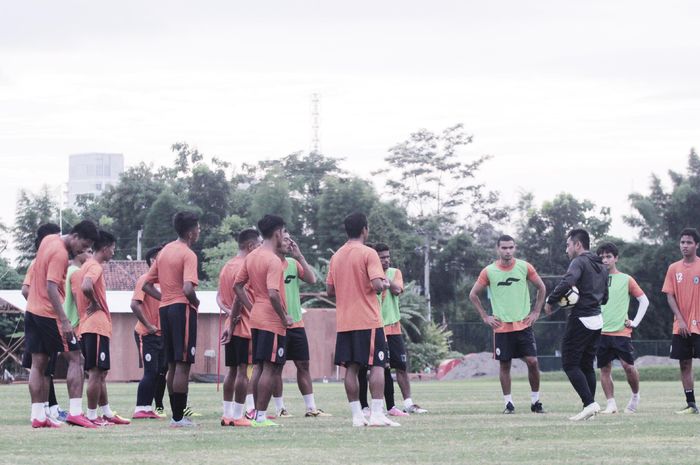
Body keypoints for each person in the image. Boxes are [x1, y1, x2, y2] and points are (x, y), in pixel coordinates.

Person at [25, 220, 99, 428]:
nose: (83, 251)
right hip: (49, 314)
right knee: (76, 358)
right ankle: (76, 413)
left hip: (32, 310)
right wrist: (65, 321)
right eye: (83, 246)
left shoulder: (48, 240)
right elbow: (50, 288)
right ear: (74, 236)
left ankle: (38, 416)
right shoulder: (59, 253)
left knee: (38, 364)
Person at [326, 212, 398, 427]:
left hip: (345, 322)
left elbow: (329, 289)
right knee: (377, 364)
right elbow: (377, 285)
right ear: (365, 229)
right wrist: (385, 283)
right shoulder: (368, 253)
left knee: (351, 368)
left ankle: (357, 416)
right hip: (368, 320)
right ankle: (376, 413)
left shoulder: (336, 256)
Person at [469, 235, 546, 414]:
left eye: (511, 247)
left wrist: (536, 312)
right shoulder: (488, 271)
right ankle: (508, 404)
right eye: (504, 248)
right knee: (505, 365)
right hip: (501, 327)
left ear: (515, 248)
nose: (508, 251)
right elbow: (473, 294)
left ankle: (536, 402)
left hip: (523, 325)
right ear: (498, 249)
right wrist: (485, 316)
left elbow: (542, 288)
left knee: (533, 362)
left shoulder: (524, 267)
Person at [143, 212, 201, 427]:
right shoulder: (188, 254)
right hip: (181, 310)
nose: (199, 232)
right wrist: (195, 302)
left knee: (172, 364)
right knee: (183, 363)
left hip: (165, 309)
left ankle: (176, 416)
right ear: (190, 232)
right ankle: (178, 418)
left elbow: (146, 285)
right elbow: (187, 288)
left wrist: (165, 297)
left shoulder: (165, 251)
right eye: (198, 228)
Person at [545, 229, 608, 421]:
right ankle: (590, 409)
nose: (567, 249)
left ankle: (589, 404)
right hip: (597, 319)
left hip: (581, 318)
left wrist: (551, 300)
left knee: (570, 364)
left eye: (568, 244)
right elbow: (605, 298)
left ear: (578, 244)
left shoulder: (579, 261)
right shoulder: (603, 267)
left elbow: (568, 281)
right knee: (587, 365)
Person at [234, 215, 290, 428]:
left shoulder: (253, 256)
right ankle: (260, 417)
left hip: (257, 318)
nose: (284, 236)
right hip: (272, 321)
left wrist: (251, 307)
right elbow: (274, 294)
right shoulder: (273, 260)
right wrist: (284, 318)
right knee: (271, 368)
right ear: (277, 233)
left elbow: (238, 286)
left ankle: (255, 413)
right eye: (284, 232)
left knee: (258, 367)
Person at [359, 243, 427, 417]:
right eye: (382, 257)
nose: (386, 260)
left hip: (393, 328)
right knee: (376, 368)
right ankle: (371, 406)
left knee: (401, 366)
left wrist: (386, 283)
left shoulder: (395, 273)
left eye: (388, 256)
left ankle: (408, 403)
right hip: (374, 327)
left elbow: (397, 290)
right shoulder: (367, 274)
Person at [269, 232, 330, 418]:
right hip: (276, 325)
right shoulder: (269, 263)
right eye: (285, 238)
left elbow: (312, 280)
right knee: (275, 368)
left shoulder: (293, 264)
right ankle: (280, 409)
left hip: (296, 324)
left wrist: (300, 256)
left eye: (289, 238)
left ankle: (311, 408)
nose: (289, 242)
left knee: (303, 365)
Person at [74, 230, 129, 426]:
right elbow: (87, 286)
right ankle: (91, 416)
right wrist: (96, 303)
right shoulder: (95, 267)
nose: (113, 252)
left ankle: (105, 412)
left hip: (91, 326)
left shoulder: (85, 266)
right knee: (96, 373)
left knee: (100, 373)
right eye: (113, 249)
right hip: (95, 326)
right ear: (105, 248)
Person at [596, 242, 649, 414]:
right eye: (602, 257)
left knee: (628, 366)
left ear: (616, 258)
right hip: (600, 332)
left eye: (608, 256)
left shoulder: (626, 279)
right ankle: (611, 404)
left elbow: (644, 300)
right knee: (604, 369)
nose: (605, 260)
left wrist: (635, 322)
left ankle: (635, 396)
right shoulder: (595, 279)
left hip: (621, 332)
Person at [21, 223, 66, 423]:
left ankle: (45, 411)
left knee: (44, 366)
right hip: (44, 316)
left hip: (40, 314)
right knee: (44, 367)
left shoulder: (46, 258)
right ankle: (46, 411)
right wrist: (39, 307)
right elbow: (26, 289)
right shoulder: (40, 261)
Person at [218, 228, 261, 427]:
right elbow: (239, 297)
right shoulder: (247, 266)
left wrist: (229, 317)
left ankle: (227, 415)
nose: (261, 249)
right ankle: (238, 415)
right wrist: (238, 316)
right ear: (251, 246)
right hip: (244, 326)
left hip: (231, 325)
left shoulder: (227, 266)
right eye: (259, 245)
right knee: (244, 371)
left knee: (232, 371)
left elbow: (219, 297)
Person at [662, 228, 700, 414]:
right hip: (681, 326)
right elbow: (670, 296)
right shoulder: (673, 268)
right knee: (684, 363)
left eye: (689, 242)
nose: (685, 246)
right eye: (682, 242)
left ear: (697, 245)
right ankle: (691, 404)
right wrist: (681, 320)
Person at [131, 245, 167, 419]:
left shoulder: (167, 283)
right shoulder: (145, 280)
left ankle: (153, 407)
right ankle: (141, 408)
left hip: (163, 335)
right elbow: (134, 305)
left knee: (161, 373)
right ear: (154, 261)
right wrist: (149, 325)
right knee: (151, 372)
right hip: (147, 334)